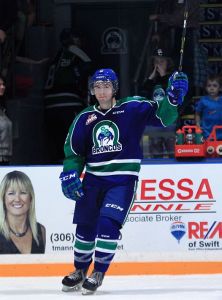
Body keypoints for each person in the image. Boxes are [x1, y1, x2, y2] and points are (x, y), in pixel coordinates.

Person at [59, 68, 188, 294]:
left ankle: (98, 272)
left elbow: (163, 117)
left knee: (108, 224)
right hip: (92, 180)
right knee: (85, 228)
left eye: (106, 87)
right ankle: (79, 270)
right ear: (92, 90)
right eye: (97, 87)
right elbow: (74, 153)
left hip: (122, 181)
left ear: (115, 88)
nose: (101, 92)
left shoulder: (132, 108)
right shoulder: (84, 118)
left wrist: (173, 99)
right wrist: (70, 173)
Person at [44, 27, 92, 164]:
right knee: (71, 138)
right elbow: (88, 65)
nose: (80, 41)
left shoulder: (57, 55)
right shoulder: (73, 50)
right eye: (77, 38)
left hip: (49, 103)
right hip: (67, 100)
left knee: (57, 140)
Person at [140, 48, 176, 158]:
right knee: (155, 153)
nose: (158, 65)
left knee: (173, 152)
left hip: (169, 122)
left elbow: (174, 93)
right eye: (156, 61)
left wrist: (164, 75)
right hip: (154, 123)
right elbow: (142, 96)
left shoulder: (172, 77)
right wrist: (150, 78)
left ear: (168, 63)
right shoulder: (151, 80)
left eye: (161, 61)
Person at [0, 170, 46, 254]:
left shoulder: (40, 231)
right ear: (3, 198)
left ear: (31, 198)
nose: (17, 199)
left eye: (23, 193)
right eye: (11, 193)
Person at [195, 74, 222, 140]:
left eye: (215, 86)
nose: (211, 88)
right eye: (209, 86)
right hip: (207, 132)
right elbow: (197, 113)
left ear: (220, 88)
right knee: (209, 149)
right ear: (206, 88)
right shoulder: (203, 100)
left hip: (220, 131)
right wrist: (198, 124)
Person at [0, 74, 13, 165]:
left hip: (5, 157)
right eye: (0, 85)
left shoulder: (3, 109)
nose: (2, 87)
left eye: (3, 84)